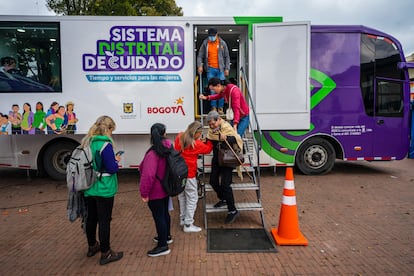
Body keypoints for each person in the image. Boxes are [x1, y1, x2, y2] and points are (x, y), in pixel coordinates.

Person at [81, 115, 123, 266]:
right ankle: (106, 253)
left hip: (89, 186)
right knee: (104, 220)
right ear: (108, 129)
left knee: (91, 218)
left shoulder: (88, 142)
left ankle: (92, 246)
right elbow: (111, 168)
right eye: (112, 130)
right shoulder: (105, 145)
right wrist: (116, 162)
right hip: (104, 187)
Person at [139, 123, 173, 257]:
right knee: (165, 214)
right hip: (166, 188)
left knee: (159, 217)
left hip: (155, 191)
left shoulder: (153, 153)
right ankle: (166, 236)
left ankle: (163, 245)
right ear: (164, 134)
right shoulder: (169, 148)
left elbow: (148, 175)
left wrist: (144, 193)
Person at [174, 121, 213, 232]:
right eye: (200, 134)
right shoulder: (196, 144)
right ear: (196, 132)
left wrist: (199, 140)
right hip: (189, 174)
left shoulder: (180, 136)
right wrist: (209, 140)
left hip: (178, 173)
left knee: (182, 196)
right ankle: (188, 224)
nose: (200, 136)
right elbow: (208, 149)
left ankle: (183, 218)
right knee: (192, 198)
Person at [206, 110, 243, 224]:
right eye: (210, 124)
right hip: (217, 158)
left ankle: (232, 210)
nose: (211, 126)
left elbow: (236, 139)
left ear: (219, 120)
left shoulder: (226, 126)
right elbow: (210, 139)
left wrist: (225, 137)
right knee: (212, 181)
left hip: (227, 159)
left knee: (225, 184)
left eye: (213, 124)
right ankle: (224, 198)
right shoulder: (211, 130)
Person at [197, 27, 230, 114]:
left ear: (216, 34)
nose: (211, 37)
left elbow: (227, 57)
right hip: (210, 69)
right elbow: (200, 55)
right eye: (210, 36)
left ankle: (220, 108)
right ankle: (214, 107)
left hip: (221, 69)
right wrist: (199, 65)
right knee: (212, 89)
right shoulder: (205, 43)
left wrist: (227, 68)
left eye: (213, 36)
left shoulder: (222, 43)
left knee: (222, 89)